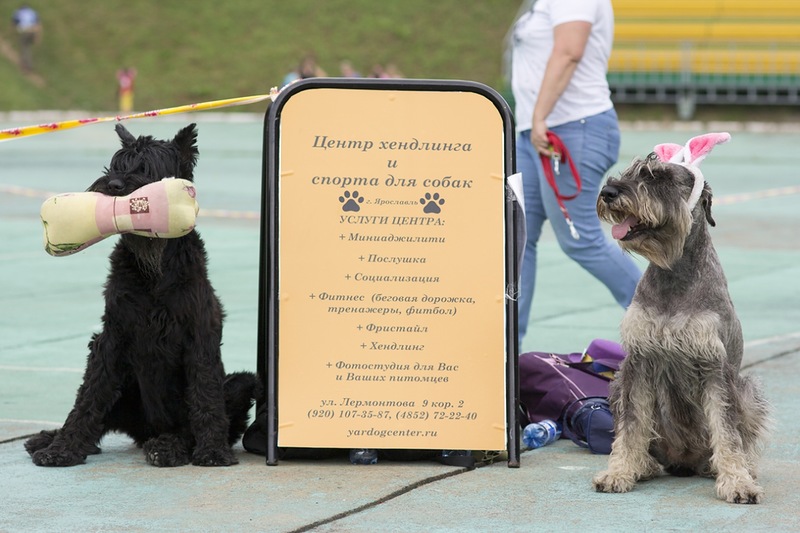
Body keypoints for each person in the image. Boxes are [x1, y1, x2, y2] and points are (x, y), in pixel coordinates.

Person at [510, 0, 642, 344]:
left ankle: (663, 324)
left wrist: (540, 116)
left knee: (581, 240)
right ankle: (508, 354)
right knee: (517, 242)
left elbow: (569, 50)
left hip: (570, 127)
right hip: (534, 131)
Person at [11, 4, 41, 73]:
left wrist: (12, 31)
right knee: (28, 47)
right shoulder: (33, 12)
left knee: (24, 47)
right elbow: (38, 24)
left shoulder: (18, 12)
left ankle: (25, 65)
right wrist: (37, 36)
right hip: (33, 31)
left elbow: (13, 22)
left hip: (25, 31)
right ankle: (29, 64)